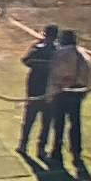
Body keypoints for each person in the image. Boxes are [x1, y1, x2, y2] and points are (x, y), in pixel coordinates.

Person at [47, 29, 91, 162]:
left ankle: (57, 151)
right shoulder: (83, 54)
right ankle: (76, 152)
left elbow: (55, 75)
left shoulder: (60, 53)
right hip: (77, 92)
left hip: (62, 92)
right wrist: (85, 90)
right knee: (75, 123)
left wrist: (51, 93)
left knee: (59, 123)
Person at [17, 24, 59, 155]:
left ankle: (23, 145)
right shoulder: (58, 52)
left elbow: (25, 61)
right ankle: (41, 148)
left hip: (35, 89)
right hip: (50, 90)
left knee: (30, 120)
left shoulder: (37, 49)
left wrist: (35, 46)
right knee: (46, 122)